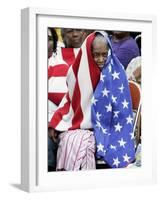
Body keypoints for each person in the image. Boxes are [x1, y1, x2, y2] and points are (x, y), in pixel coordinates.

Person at [49, 31, 135, 170]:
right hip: (82, 126)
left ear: (110, 52)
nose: (101, 59)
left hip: (111, 128)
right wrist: (56, 120)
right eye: (96, 54)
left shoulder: (117, 73)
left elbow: (121, 110)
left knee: (83, 142)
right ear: (89, 52)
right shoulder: (76, 72)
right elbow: (70, 99)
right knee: (73, 141)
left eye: (104, 54)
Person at [48, 28, 88, 171]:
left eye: (79, 30)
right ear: (63, 34)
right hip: (57, 119)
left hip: (80, 120)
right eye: (70, 31)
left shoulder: (93, 56)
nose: (75, 34)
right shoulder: (55, 60)